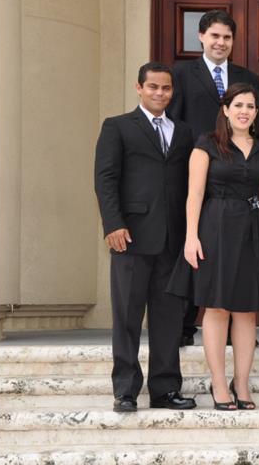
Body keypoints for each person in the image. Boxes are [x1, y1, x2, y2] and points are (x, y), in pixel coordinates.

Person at [167, 83, 259, 411]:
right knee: (216, 309)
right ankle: (219, 383)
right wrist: (191, 236)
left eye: (251, 106)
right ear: (226, 110)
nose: (245, 111)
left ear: (257, 113)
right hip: (214, 228)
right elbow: (195, 193)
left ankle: (241, 383)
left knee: (247, 311)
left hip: (252, 231)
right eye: (239, 105)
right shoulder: (207, 144)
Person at [93, 62, 196, 413]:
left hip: (173, 240)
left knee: (169, 318)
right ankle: (125, 389)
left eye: (166, 88)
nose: (159, 93)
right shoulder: (118, 126)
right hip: (131, 237)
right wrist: (112, 224)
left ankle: (165, 389)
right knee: (127, 315)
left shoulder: (183, 131)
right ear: (139, 88)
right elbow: (105, 179)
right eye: (153, 87)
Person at [168, 9, 259, 345]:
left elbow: (254, 127)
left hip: (235, 180)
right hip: (193, 175)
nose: (220, 42)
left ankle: (229, 331)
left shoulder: (246, 76)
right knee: (191, 249)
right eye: (215, 36)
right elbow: (176, 126)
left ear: (233, 41)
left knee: (232, 255)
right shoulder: (180, 74)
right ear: (201, 37)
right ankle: (182, 327)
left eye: (226, 37)